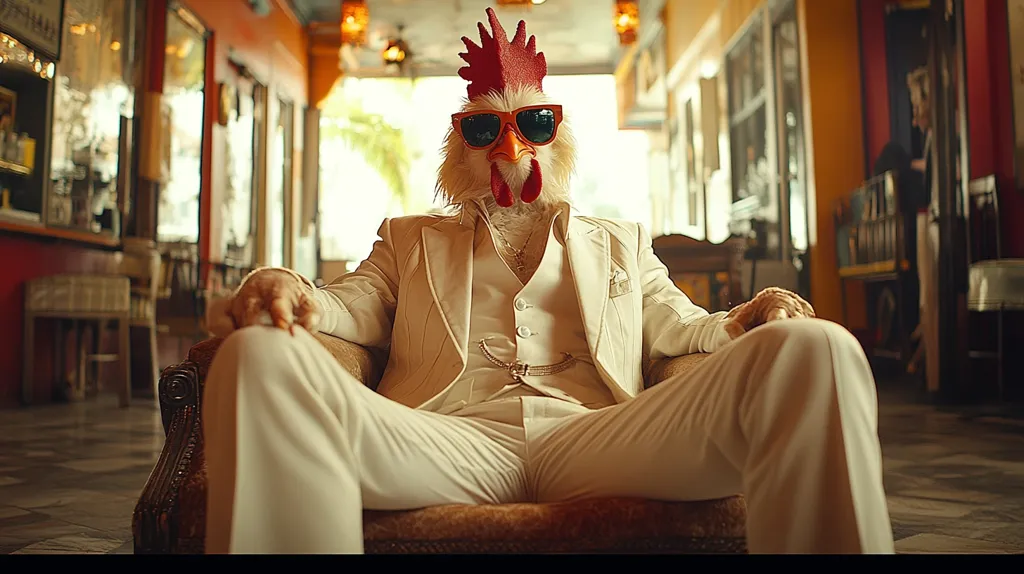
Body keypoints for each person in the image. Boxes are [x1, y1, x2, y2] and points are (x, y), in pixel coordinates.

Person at [202, 8, 894, 555]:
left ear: (556, 133)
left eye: (534, 121)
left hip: (599, 437)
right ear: (461, 143)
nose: (513, 144)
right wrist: (286, 287)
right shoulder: (409, 238)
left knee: (817, 348)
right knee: (257, 356)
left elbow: (684, 327)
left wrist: (754, 313)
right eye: (485, 129)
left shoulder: (619, 242)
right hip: (445, 441)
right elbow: (348, 304)